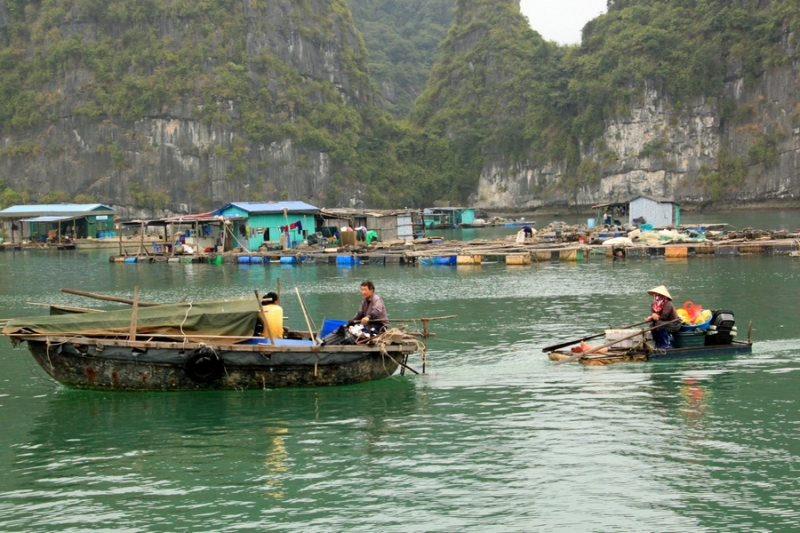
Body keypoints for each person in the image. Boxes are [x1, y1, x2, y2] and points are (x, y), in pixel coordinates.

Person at [645, 285, 680, 349]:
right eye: (656, 295)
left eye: (659, 295)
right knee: (652, 325)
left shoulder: (668, 303)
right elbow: (653, 315)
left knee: (659, 324)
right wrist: (650, 318)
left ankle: (665, 345)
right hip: (663, 322)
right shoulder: (653, 305)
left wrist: (654, 316)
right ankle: (658, 344)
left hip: (674, 324)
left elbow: (664, 316)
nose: (656, 297)